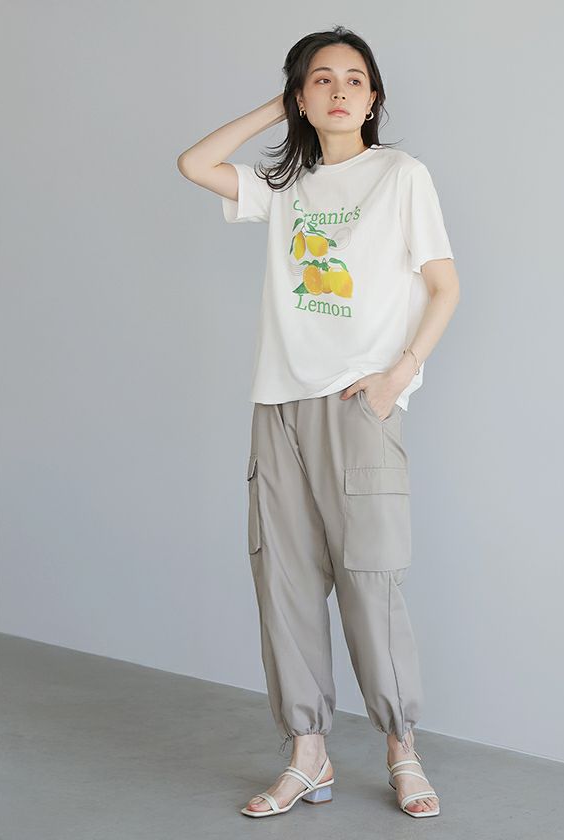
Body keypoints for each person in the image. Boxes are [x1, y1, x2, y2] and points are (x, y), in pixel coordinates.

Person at [177, 25, 460, 819]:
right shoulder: (285, 188)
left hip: (355, 404)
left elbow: (445, 286)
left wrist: (399, 374)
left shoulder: (400, 176)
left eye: (355, 79)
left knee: (371, 580)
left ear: (374, 98)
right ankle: (309, 754)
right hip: (278, 405)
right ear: (301, 96)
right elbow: (194, 164)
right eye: (321, 79)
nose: (340, 91)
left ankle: (403, 751)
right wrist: (278, 106)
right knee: (285, 582)